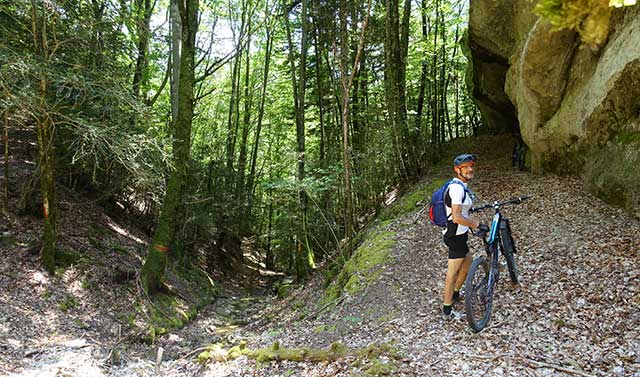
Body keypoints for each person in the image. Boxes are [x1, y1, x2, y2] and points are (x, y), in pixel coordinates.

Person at [442, 154, 489, 319]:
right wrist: (476, 224)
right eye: (466, 167)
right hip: (455, 236)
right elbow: (456, 217)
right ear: (457, 170)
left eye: (472, 166)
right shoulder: (456, 188)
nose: (470, 169)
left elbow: (462, 210)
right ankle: (447, 310)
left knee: (468, 264)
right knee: (452, 273)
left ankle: (455, 293)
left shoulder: (461, 186)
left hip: (460, 235)